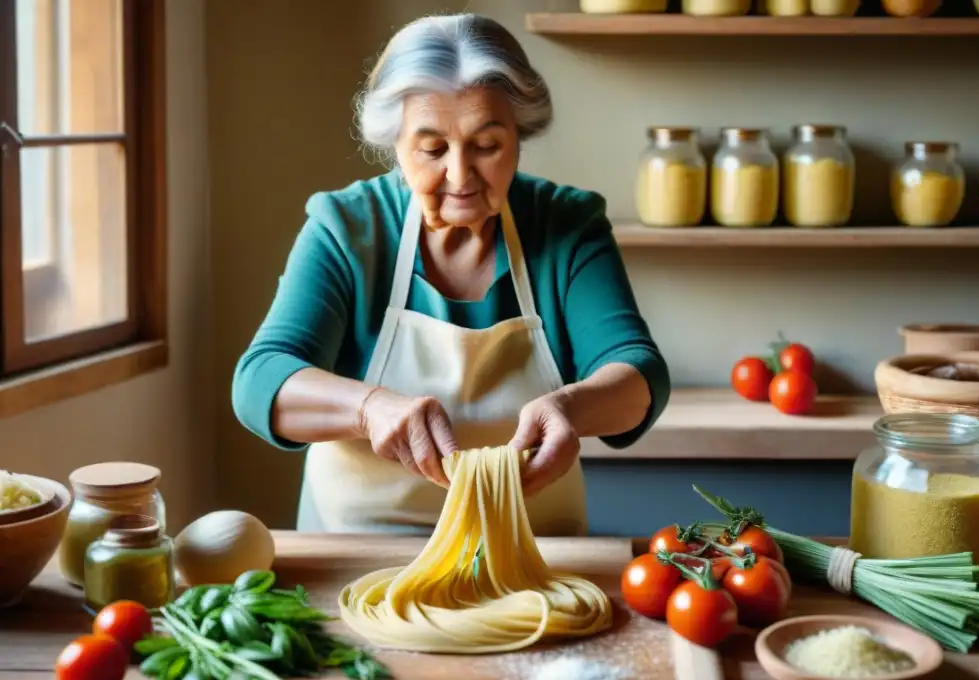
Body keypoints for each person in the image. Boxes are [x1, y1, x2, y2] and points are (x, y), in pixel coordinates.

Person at [232, 13, 670, 535]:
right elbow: (260, 380)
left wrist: (572, 410)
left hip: (532, 546)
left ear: (519, 134)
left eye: (486, 146)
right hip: (363, 547)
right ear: (395, 142)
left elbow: (638, 371)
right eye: (432, 148)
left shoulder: (567, 225)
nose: (460, 175)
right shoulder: (346, 227)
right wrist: (370, 409)